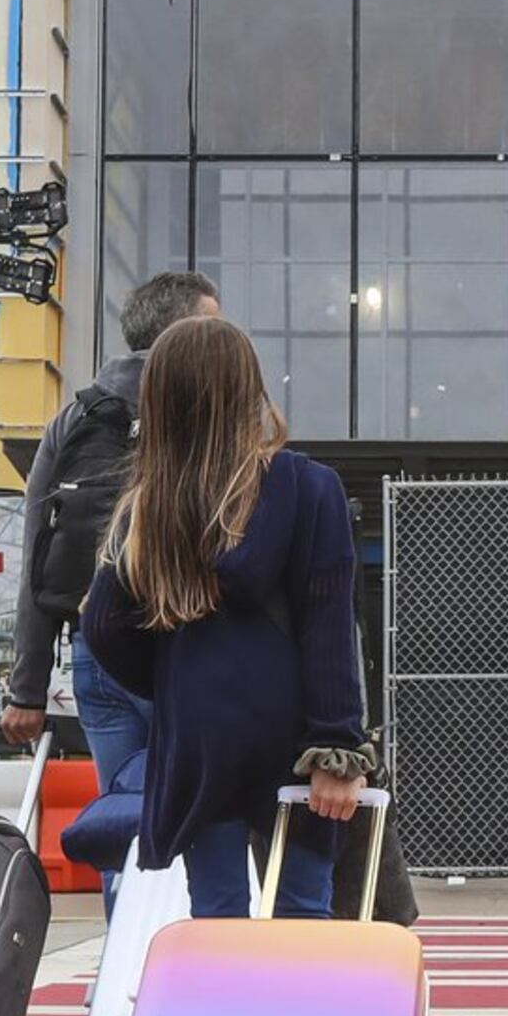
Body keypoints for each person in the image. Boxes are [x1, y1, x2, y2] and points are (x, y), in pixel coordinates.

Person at [77, 315, 372, 918]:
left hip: (198, 739)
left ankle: (222, 986)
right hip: (293, 735)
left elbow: (104, 626)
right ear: (247, 392)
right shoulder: (308, 488)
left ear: (161, 404)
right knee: (302, 911)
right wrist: (336, 748)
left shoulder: (149, 507)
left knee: (216, 915)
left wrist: (175, 675)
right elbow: (328, 629)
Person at [5, 269, 220, 788]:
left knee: (123, 812)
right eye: (213, 327)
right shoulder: (215, 412)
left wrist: (27, 689)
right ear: (182, 333)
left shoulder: (74, 418)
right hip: (190, 643)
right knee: (197, 811)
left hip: (96, 647)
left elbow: (39, 552)